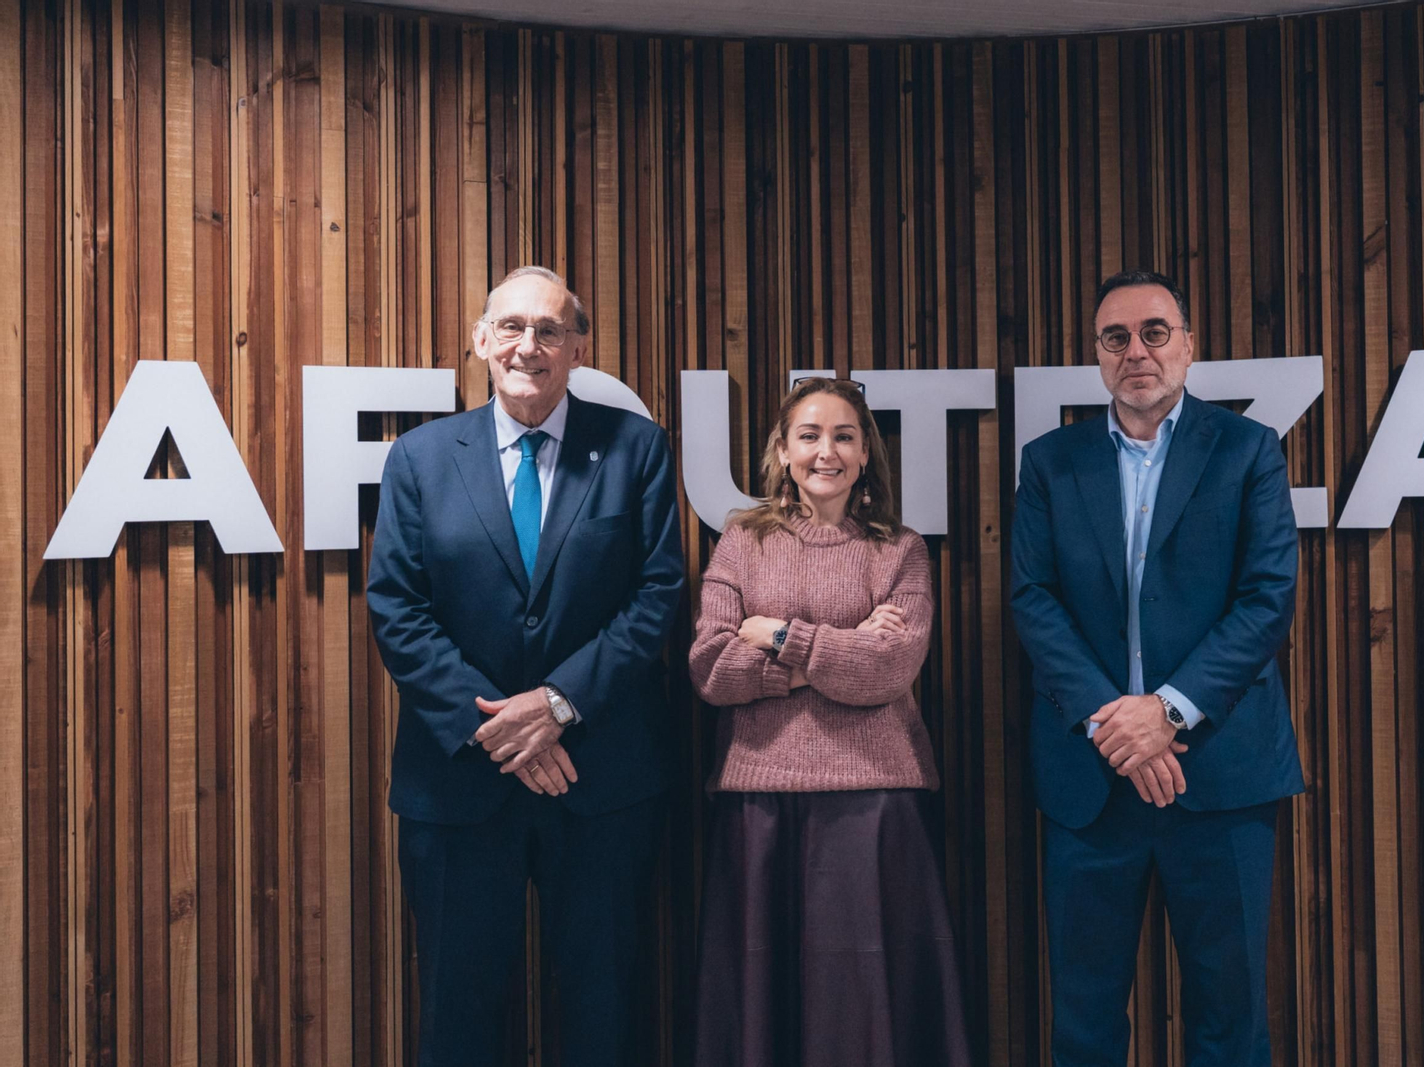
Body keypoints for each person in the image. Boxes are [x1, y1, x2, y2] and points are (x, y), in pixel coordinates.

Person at [366, 266, 684, 1067]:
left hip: (599, 780)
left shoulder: (635, 449)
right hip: (459, 789)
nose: (528, 346)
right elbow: (397, 609)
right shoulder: (420, 458)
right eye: (510, 326)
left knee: (605, 1014)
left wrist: (559, 704)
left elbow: (657, 596)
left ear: (578, 347)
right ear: (480, 341)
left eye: (548, 330)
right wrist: (505, 728)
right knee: (457, 1019)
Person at [1011, 269, 1304, 1067]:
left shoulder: (1248, 452)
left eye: (1154, 331)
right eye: (1116, 337)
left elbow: (1267, 598)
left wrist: (1165, 713)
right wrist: (1117, 720)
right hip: (1091, 779)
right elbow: (1032, 597)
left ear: (1188, 345)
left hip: (1221, 778)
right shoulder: (1050, 462)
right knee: (1084, 1022)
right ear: (1097, 355)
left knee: (1229, 1021)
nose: (1136, 350)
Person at [687, 377, 971, 1067]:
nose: (827, 451)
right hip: (761, 800)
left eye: (844, 436)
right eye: (809, 436)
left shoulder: (901, 550)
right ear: (782, 451)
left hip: (876, 803)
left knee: (867, 996)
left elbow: (892, 667)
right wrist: (841, 649)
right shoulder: (741, 539)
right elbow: (711, 668)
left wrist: (781, 637)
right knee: (768, 997)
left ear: (866, 453)